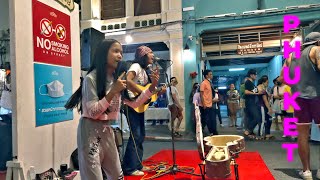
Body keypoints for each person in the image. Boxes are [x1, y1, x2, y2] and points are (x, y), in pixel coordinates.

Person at [64, 39, 160, 180]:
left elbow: (134, 104)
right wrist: (113, 92)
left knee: (117, 175)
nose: (120, 56)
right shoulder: (91, 78)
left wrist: (152, 88)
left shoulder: (117, 79)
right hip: (89, 131)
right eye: (115, 51)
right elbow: (93, 112)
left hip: (107, 130)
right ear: (103, 54)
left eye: (121, 52)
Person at [279, 32, 320, 179]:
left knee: (302, 135)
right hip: (317, 96)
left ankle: (307, 171)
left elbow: (283, 78)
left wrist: (298, 85)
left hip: (299, 99)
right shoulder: (316, 50)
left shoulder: (291, 58)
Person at [122, 45, 165, 176]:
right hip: (130, 105)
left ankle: (138, 164)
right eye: (151, 53)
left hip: (138, 105)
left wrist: (157, 90)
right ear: (143, 55)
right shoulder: (135, 66)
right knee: (135, 136)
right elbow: (127, 80)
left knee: (140, 136)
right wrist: (141, 90)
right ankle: (129, 168)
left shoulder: (145, 71)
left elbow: (148, 93)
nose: (153, 55)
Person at [244, 69, 262, 139]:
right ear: (251, 75)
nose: (256, 76)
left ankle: (250, 132)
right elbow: (246, 92)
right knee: (257, 117)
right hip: (250, 102)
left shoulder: (252, 83)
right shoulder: (248, 82)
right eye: (255, 75)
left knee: (251, 118)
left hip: (253, 102)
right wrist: (257, 93)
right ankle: (248, 130)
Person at [200, 70, 218, 135]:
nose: (212, 75)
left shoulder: (210, 83)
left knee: (213, 119)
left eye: (212, 74)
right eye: (210, 74)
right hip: (206, 104)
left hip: (211, 103)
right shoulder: (203, 83)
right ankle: (211, 132)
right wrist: (204, 104)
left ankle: (214, 132)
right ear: (206, 75)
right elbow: (201, 94)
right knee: (208, 120)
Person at [257, 75, 273, 139]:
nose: (268, 84)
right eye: (267, 82)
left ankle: (267, 133)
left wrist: (269, 95)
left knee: (269, 120)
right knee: (263, 121)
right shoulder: (261, 88)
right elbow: (265, 100)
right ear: (263, 82)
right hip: (262, 106)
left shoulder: (264, 89)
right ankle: (260, 135)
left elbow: (267, 98)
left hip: (265, 106)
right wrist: (269, 108)